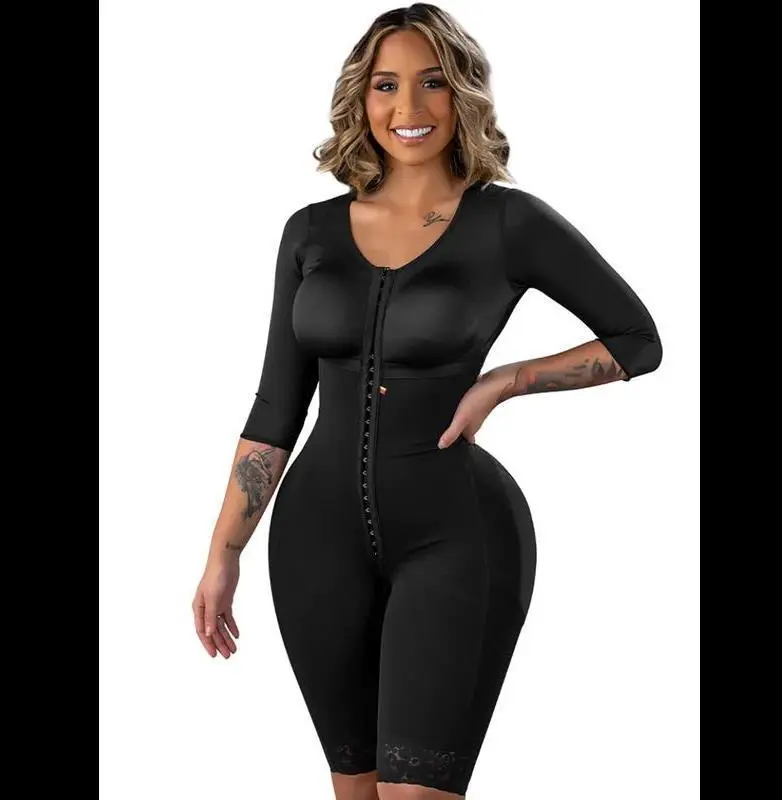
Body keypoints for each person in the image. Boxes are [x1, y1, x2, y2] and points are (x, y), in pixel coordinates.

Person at [191, 5, 663, 798]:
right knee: (355, 790)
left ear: (463, 94)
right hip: (314, 541)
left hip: (456, 536)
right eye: (386, 85)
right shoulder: (309, 232)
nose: (408, 107)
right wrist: (223, 553)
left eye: (432, 83)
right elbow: (277, 406)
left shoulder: (508, 222)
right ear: (361, 97)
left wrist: (505, 381)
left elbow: (636, 340)